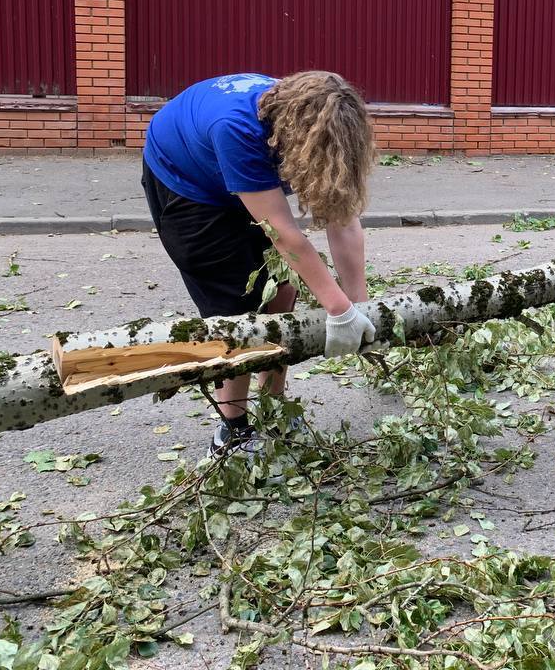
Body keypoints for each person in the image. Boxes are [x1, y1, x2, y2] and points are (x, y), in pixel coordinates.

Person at [141, 71, 378, 455]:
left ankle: (273, 405)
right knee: (238, 310)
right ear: (297, 136)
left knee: (282, 290)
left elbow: (343, 219)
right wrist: (338, 309)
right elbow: (283, 233)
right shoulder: (237, 130)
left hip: (233, 162)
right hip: (188, 189)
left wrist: (359, 304)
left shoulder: (314, 119)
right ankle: (232, 428)